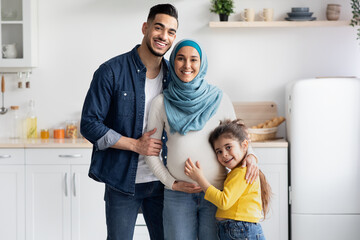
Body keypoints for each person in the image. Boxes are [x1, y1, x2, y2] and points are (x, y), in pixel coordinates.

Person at [80, 4, 178, 240]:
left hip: (163, 181)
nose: (164, 36)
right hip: (122, 181)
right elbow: (89, 123)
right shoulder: (111, 71)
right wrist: (136, 145)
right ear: (145, 28)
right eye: (159, 27)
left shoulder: (174, 78)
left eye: (171, 32)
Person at [145, 39, 259, 240]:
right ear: (173, 63)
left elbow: (239, 138)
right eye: (180, 59)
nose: (187, 65)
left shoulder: (220, 98)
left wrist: (251, 157)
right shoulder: (160, 103)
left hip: (217, 193)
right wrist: (172, 183)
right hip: (178, 196)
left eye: (193, 60)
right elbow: (151, 153)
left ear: (202, 63)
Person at [184, 119, 272, 240]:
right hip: (237, 230)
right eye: (219, 151)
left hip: (240, 230)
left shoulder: (242, 172)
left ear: (244, 145)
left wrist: (199, 178)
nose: (224, 154)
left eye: (228, 147)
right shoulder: (236, 172)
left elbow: (223, 202)